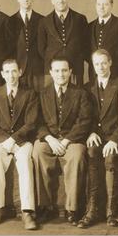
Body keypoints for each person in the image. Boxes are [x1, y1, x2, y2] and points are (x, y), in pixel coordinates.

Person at [33, 58, 92, 225]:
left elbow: (84, 121)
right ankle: (46, 206)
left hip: (72, 139)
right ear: (51, 73)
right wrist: (49, 138)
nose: (61, 74)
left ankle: (72, 208)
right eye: (57, 71)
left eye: (64, 70)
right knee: (38, 152)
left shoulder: (80, 93)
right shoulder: (42, 93)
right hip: (49, 139)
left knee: (77, 155)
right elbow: (37, 121)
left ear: (70, 72)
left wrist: (66, 140)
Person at [78, 49, 118, 229]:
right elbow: (85, 117)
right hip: (97, 137)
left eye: (103, 63)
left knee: (110, 158)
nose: (100, 67)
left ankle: (111, 209)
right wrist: (90, 132)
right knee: (92, 152)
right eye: (96, 64)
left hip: (115, 137)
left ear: (110, 63)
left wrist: (115, 140)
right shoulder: (87, 88)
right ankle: (93, 208)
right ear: (93, 66)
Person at [0, 59, 40, 230]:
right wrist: (5, 140)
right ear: (2, 74)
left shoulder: (30, 94)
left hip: (23, 140)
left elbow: (31, 123)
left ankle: (27, 211)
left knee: (24, 161)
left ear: (20, 72)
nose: (11, 75)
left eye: (14, 71)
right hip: (0, 140)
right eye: (7, 72)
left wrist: (14, 139)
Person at [37, 0, 89, 85]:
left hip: (75, 68)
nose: (60, 0)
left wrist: (77, 56)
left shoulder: (80, 19)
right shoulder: (44, 21)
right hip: (52, 69)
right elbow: (41, 48)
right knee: (51, 94)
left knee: (76, 93)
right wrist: (53, 60)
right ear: (52, 1)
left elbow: (86, 44)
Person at [88, 0, 118, 81]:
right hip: (94, 73)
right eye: (99, 4)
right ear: (96, 6)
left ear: (111, 5)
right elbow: (86, 50)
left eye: (105, 4)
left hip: (117, 73)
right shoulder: (90, 26)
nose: (101, 7)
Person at [9, 0, 44, 92]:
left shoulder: (42, 20)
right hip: (19, 67)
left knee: (39, 96)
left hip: (38, 68)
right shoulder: (10, 21)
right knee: (21, 96)